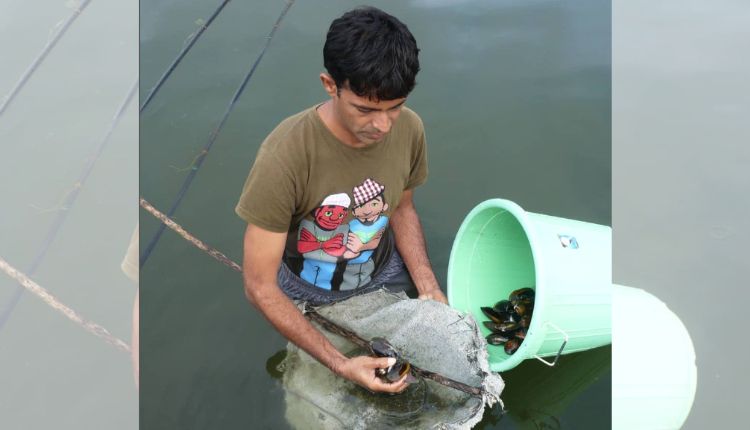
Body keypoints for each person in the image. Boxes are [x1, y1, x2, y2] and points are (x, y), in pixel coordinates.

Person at [235, 6, 447, 395]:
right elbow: (259, 286)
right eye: (365, 109)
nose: (382, 125)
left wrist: (428, 286)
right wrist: (340, 363)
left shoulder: (411, 129)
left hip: (383, 270)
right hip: (307, 291)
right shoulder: (284, 155)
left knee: (427, 376)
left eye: (394, 107)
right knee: (333, 392)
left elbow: (401, 207)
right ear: (330, 85)